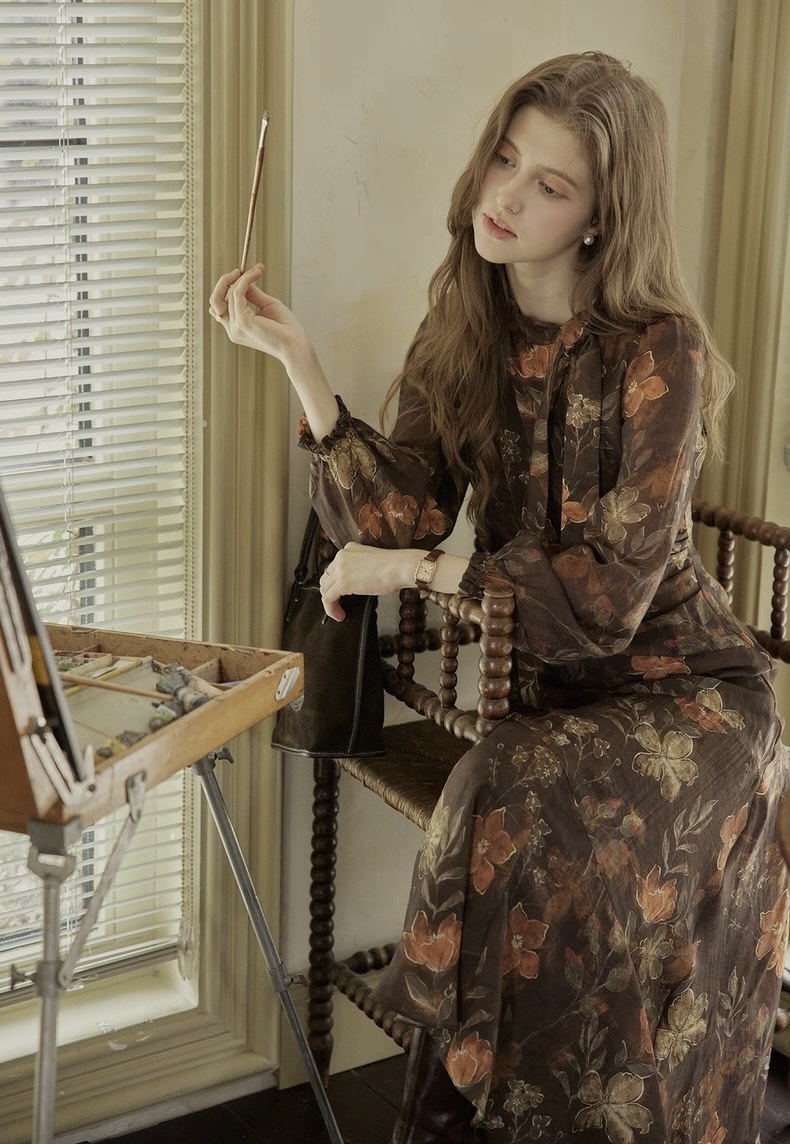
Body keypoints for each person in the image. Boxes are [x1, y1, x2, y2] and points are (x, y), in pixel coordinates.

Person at [210, 51, 790, 1144]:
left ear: (601, 219)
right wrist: (299, 362)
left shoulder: (659, 351)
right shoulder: (464, 323)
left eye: (549, 185)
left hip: (691, 697)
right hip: (554, 692)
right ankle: (467, 1111)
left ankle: (439, 1118)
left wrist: (414, 574)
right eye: (505, 159)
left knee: (496, 789)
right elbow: (402, 513)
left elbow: (609, 598)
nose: (507, 197)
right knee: (507, 813)